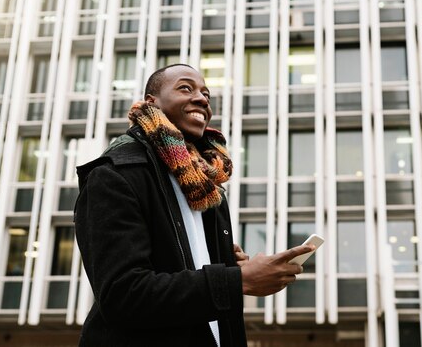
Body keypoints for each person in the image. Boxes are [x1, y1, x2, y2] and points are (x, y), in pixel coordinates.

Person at [74, 63, 313, 347]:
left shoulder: (207, 185)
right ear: (153, 103)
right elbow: (123, 295)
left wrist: (227, 263)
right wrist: (236, 281)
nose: (202, 99)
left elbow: (182, 265)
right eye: (185, 88)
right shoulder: (115, 175)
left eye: (206, 94)